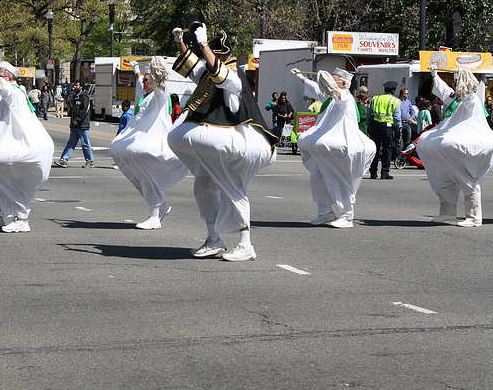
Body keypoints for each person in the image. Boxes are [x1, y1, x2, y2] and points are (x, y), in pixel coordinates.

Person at [168, 24, 278, 261]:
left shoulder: (233, 76)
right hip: (223, 143)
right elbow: (191, 67)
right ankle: (214, 239)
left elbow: (220, 75)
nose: (207, 58)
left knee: (232, 190)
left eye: (211, 54)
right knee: (203, 187)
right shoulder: (207, 75)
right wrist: (180, 42)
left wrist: (203, 43)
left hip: (243, 142)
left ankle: (246, 244)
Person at [0, 58, 54, 233]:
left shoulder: (15, 92)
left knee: (8, 184)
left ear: (9, 77)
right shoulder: (3, 94)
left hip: (18, 149)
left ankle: (21, 219)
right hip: (4, 148)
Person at [110, 57, 189, 230]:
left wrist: (158, 71)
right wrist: (135, 68)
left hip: (154, 145)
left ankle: (155, 215)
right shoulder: (146, 96)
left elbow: (160, 87)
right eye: (144, 80)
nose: (143, 83)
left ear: (154, 81)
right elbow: (140, 79)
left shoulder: (158, 96)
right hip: (139, 144)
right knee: (129, 165)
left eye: (147, 80)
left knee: (151, 179)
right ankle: (160, 206)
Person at [292, 67, 375, 228]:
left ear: (343, 83)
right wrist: (301, 77)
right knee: (318, 176)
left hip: (342, 148)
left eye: (334, 79)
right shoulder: (330, 98)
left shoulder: (346, 97)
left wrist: (332, 87)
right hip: (326, 149)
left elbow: (339, 97)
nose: (330, 81)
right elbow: (318, 89)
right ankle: (325, 212)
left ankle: (347, 216)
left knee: (340, 179)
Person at [417, 67, 493, 227]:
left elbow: (467, 98)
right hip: (453, 146)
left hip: (467, 143)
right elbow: (445, 92)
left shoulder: (472, 99)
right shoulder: (457, 100)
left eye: (457, 82)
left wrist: (464, 81)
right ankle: (447, 214)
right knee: (445, 179)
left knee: (467, 178)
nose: (455, 84)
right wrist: (435, 77)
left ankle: (474, 217)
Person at [54, 80, 95, 168]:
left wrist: (78, 120)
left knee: (85, 143)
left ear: (81, 87)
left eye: (76, 86)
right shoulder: (76, 97)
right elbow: (73, 111)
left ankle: (90, 161)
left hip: (82, 125)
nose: (74, 87)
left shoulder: (85, 97)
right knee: (71, 143)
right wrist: (73, 121)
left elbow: (84, 110)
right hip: (74, 125)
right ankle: (64, 160)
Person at [368, 81, 401, 180]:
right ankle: (384, 172)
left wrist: (369, 125)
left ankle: (373, 172)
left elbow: (369, 113)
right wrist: (399, 129)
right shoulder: (395, 101)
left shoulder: (375, 98)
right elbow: (397, 117)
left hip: (375, 126)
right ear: (393, 91)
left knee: (375, 149)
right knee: (387, 149)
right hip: (387, 127)